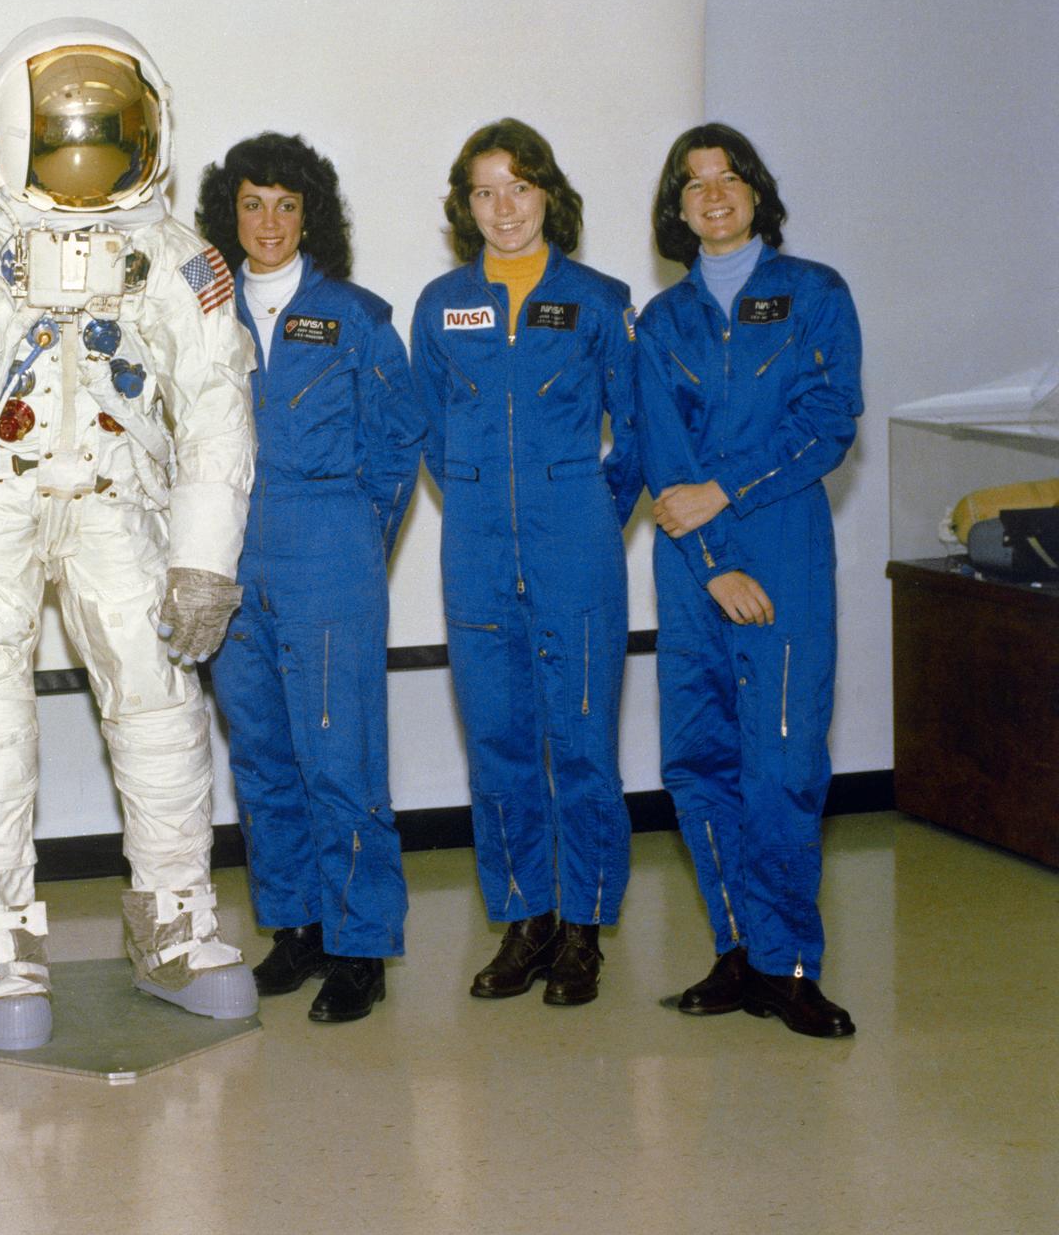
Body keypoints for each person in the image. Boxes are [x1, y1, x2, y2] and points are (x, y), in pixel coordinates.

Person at [0, 18, 258, 1051]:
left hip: (117, 504)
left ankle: (175, 920)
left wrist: (204, 563)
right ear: (7, 128)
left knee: (160, 709)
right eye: (63, 130)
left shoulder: (174, 253)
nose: (85, 152)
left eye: (105, 129)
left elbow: (216, 404)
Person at [637, 123, 862, 1039]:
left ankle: (788, 964)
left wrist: (727, 492)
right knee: (699, 763)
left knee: (782, 764)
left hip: (784, 547)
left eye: (728, 178)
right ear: (677, 210)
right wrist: (712, 560)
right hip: (694, 566)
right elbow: (660, 451)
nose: (714, 195)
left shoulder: (814, 295)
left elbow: (829, 418)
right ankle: (735, 950)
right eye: (694, 185)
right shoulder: (661, 322)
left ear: (757, 192)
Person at [410, 118, 641, 1007]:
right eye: (484, 191)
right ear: (465, 206)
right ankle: (527, 917)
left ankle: (583, 925)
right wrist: (475, 497)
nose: (503, 208)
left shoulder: (598, 298)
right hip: (474, 550)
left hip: (575, 545)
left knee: (581, 745)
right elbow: (432, 427)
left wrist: (588, 510)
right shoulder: (441, 306)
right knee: (500, 745)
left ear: (549, 193)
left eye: (519, 187)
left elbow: (639, 430)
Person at [193, 133, 423, 1022]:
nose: (270, 222)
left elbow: (399, 440)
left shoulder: (357, 315)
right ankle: (296, 927)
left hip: (328, 545)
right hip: (228, 549)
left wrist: (360, 536)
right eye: (253, 204)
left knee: (340, 756)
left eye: (288, 205)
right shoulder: (201, 308)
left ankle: (361, 944)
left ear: (311, 215)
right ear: (230, 214)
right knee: (262, 754)